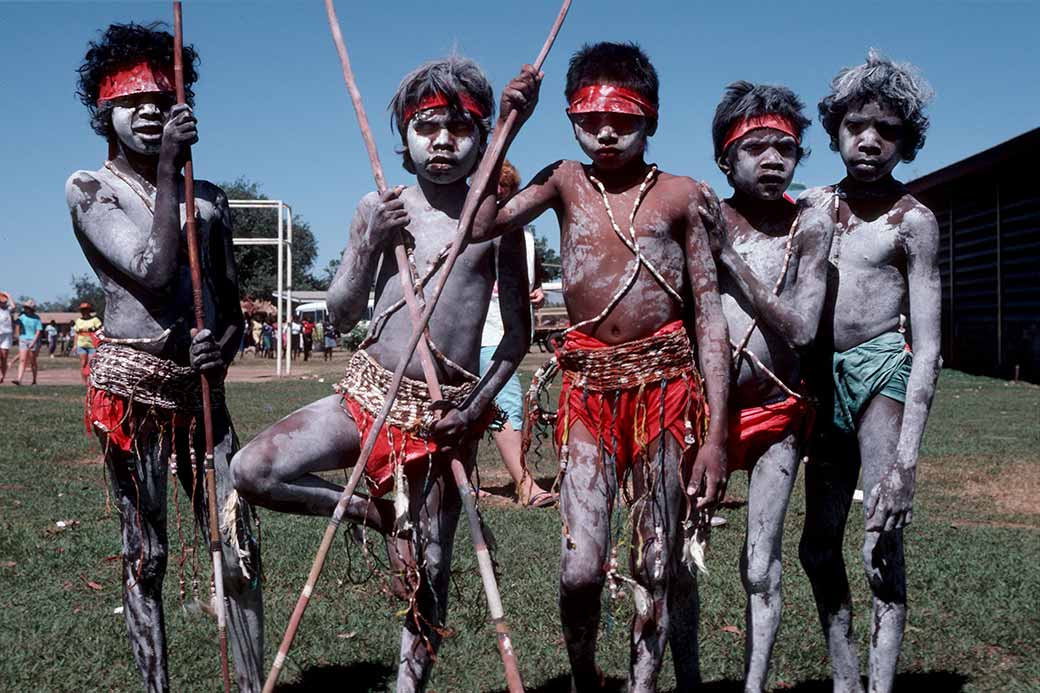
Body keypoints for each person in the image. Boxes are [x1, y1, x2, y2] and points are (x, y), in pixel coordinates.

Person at [231, 56, 534, 690]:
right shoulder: (379, 204)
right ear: (403, 139)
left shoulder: (499, 218)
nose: (443, 141)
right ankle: (366, 511)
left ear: (482, 138)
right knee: (252, 469)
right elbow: (341, 315)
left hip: (441, 418)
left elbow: (516, 339)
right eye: (426, 127)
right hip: (366, 393)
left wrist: (475, 408)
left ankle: (408, 687)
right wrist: (371, 242)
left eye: (459, 127)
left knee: (427, 571)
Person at [483, 43, 731, 691]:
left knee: (655, 557)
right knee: (580, 567)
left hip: (667, 395)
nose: (606, 130)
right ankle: (584, 674)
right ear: (570, 119)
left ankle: (645, 683)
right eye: (589, 118)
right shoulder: (563, 180)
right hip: (589, 397)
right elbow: (481, 221)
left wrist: (714, 438)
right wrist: (510, 121)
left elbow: (709, 316)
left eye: (623, 116)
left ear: (651, 117)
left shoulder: (682, 196)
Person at [64, 23, 263, 691]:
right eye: (133, 101)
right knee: (145, 556)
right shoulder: (91, 189)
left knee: (239, 547)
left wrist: (221, 353)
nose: (150, 111)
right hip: (135, 401)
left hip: (203, 398)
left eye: (163, 98)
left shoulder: (211, 200)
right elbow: (150, 268)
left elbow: (232, 310)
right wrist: (176, 172)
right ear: (105, 114)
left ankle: (250, 682)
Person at [798, 51, 941, 693]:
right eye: (857, 126)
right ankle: (845, 675)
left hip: (883, 373)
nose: (869, 140)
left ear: (904, 142)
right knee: (817, 545)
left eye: (886, 130)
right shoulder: (810, 208)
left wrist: (906, 461)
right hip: (821, 381)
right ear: (835, 132)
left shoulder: (912, 221)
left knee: (881, 540)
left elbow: (929, 345)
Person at [703, 81, 833, 692]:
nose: (774, 160)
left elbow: (803, 327)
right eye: (756, 147)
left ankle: (754, 685)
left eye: (786, 147)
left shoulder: (809, 225)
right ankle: (685, 679)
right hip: (700, 414)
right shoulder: (700, 216)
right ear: (725, 158)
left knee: (761, 563)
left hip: (779, 411)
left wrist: (730, 260)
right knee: (673, 557)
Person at [480, 159, 555, 507]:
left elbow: (530, 281)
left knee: (485, 406)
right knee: (504, 403)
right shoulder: (472, 228)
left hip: (515, 330)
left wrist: (536, 293)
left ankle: (464, 483)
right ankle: (525, 484)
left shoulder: (523, 233)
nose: (498, 194)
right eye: (490, 187)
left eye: (505, 188)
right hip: (484, 333)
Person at [13, 299, 43, 386]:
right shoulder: (22, 317)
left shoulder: (36, 318)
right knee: (22, 360)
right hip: (23, 340)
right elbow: (17, 326)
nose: (25, 309)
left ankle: (34, 380)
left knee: (33, 361)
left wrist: (34, 341)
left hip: (33, 340)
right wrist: (19, 337)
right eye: (25, 307)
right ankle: (19, 379)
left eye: (27, 307)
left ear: (31, 309)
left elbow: (38, 331)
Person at [74, 302, 102, 385]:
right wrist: (75, 345)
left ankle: (91, 381)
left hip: (92, 345)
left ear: (89, 310)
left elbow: (100, 330)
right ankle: (84, 382)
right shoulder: (78, 321)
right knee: (83, 363)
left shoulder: (95, 320)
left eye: (86, 310)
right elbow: (76, 333)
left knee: (91, 363)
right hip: (81, 345)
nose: (84, 311)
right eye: (82, 310)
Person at [0, 292, 13, 383]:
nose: (4, 303)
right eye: (2, 301)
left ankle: (2, 376)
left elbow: (14, 306)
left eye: (5, 301)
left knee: (4, 357)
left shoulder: (8, 309)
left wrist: (8, 295)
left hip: (7, 335)